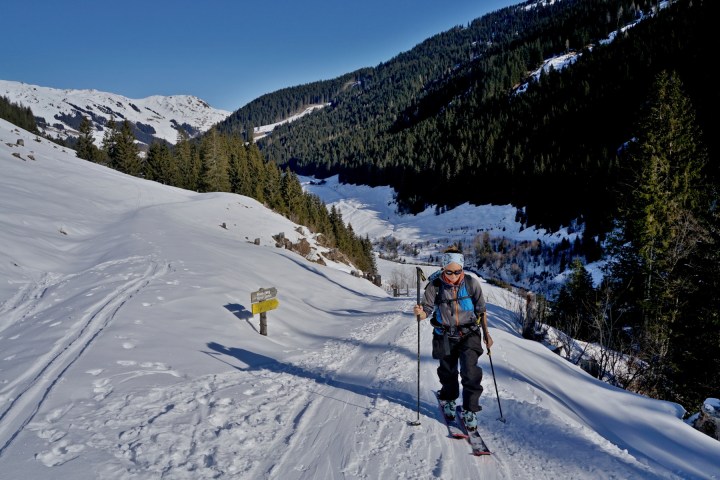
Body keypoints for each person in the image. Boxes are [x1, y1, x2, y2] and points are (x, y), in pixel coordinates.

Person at [413, 246, 493, 430]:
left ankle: (470, 410)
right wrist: (419, 314)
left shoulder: (472, 284)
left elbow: (481, 311)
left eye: (458, 271)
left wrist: (487, 335)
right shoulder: (435, 286)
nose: (454, 275)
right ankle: (448, 399)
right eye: (450, 271)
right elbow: (426, 310)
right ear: (443, 269)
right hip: (444, 334)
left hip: (469, 333)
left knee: (470, 371)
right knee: (447, 371)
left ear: (462, 269)